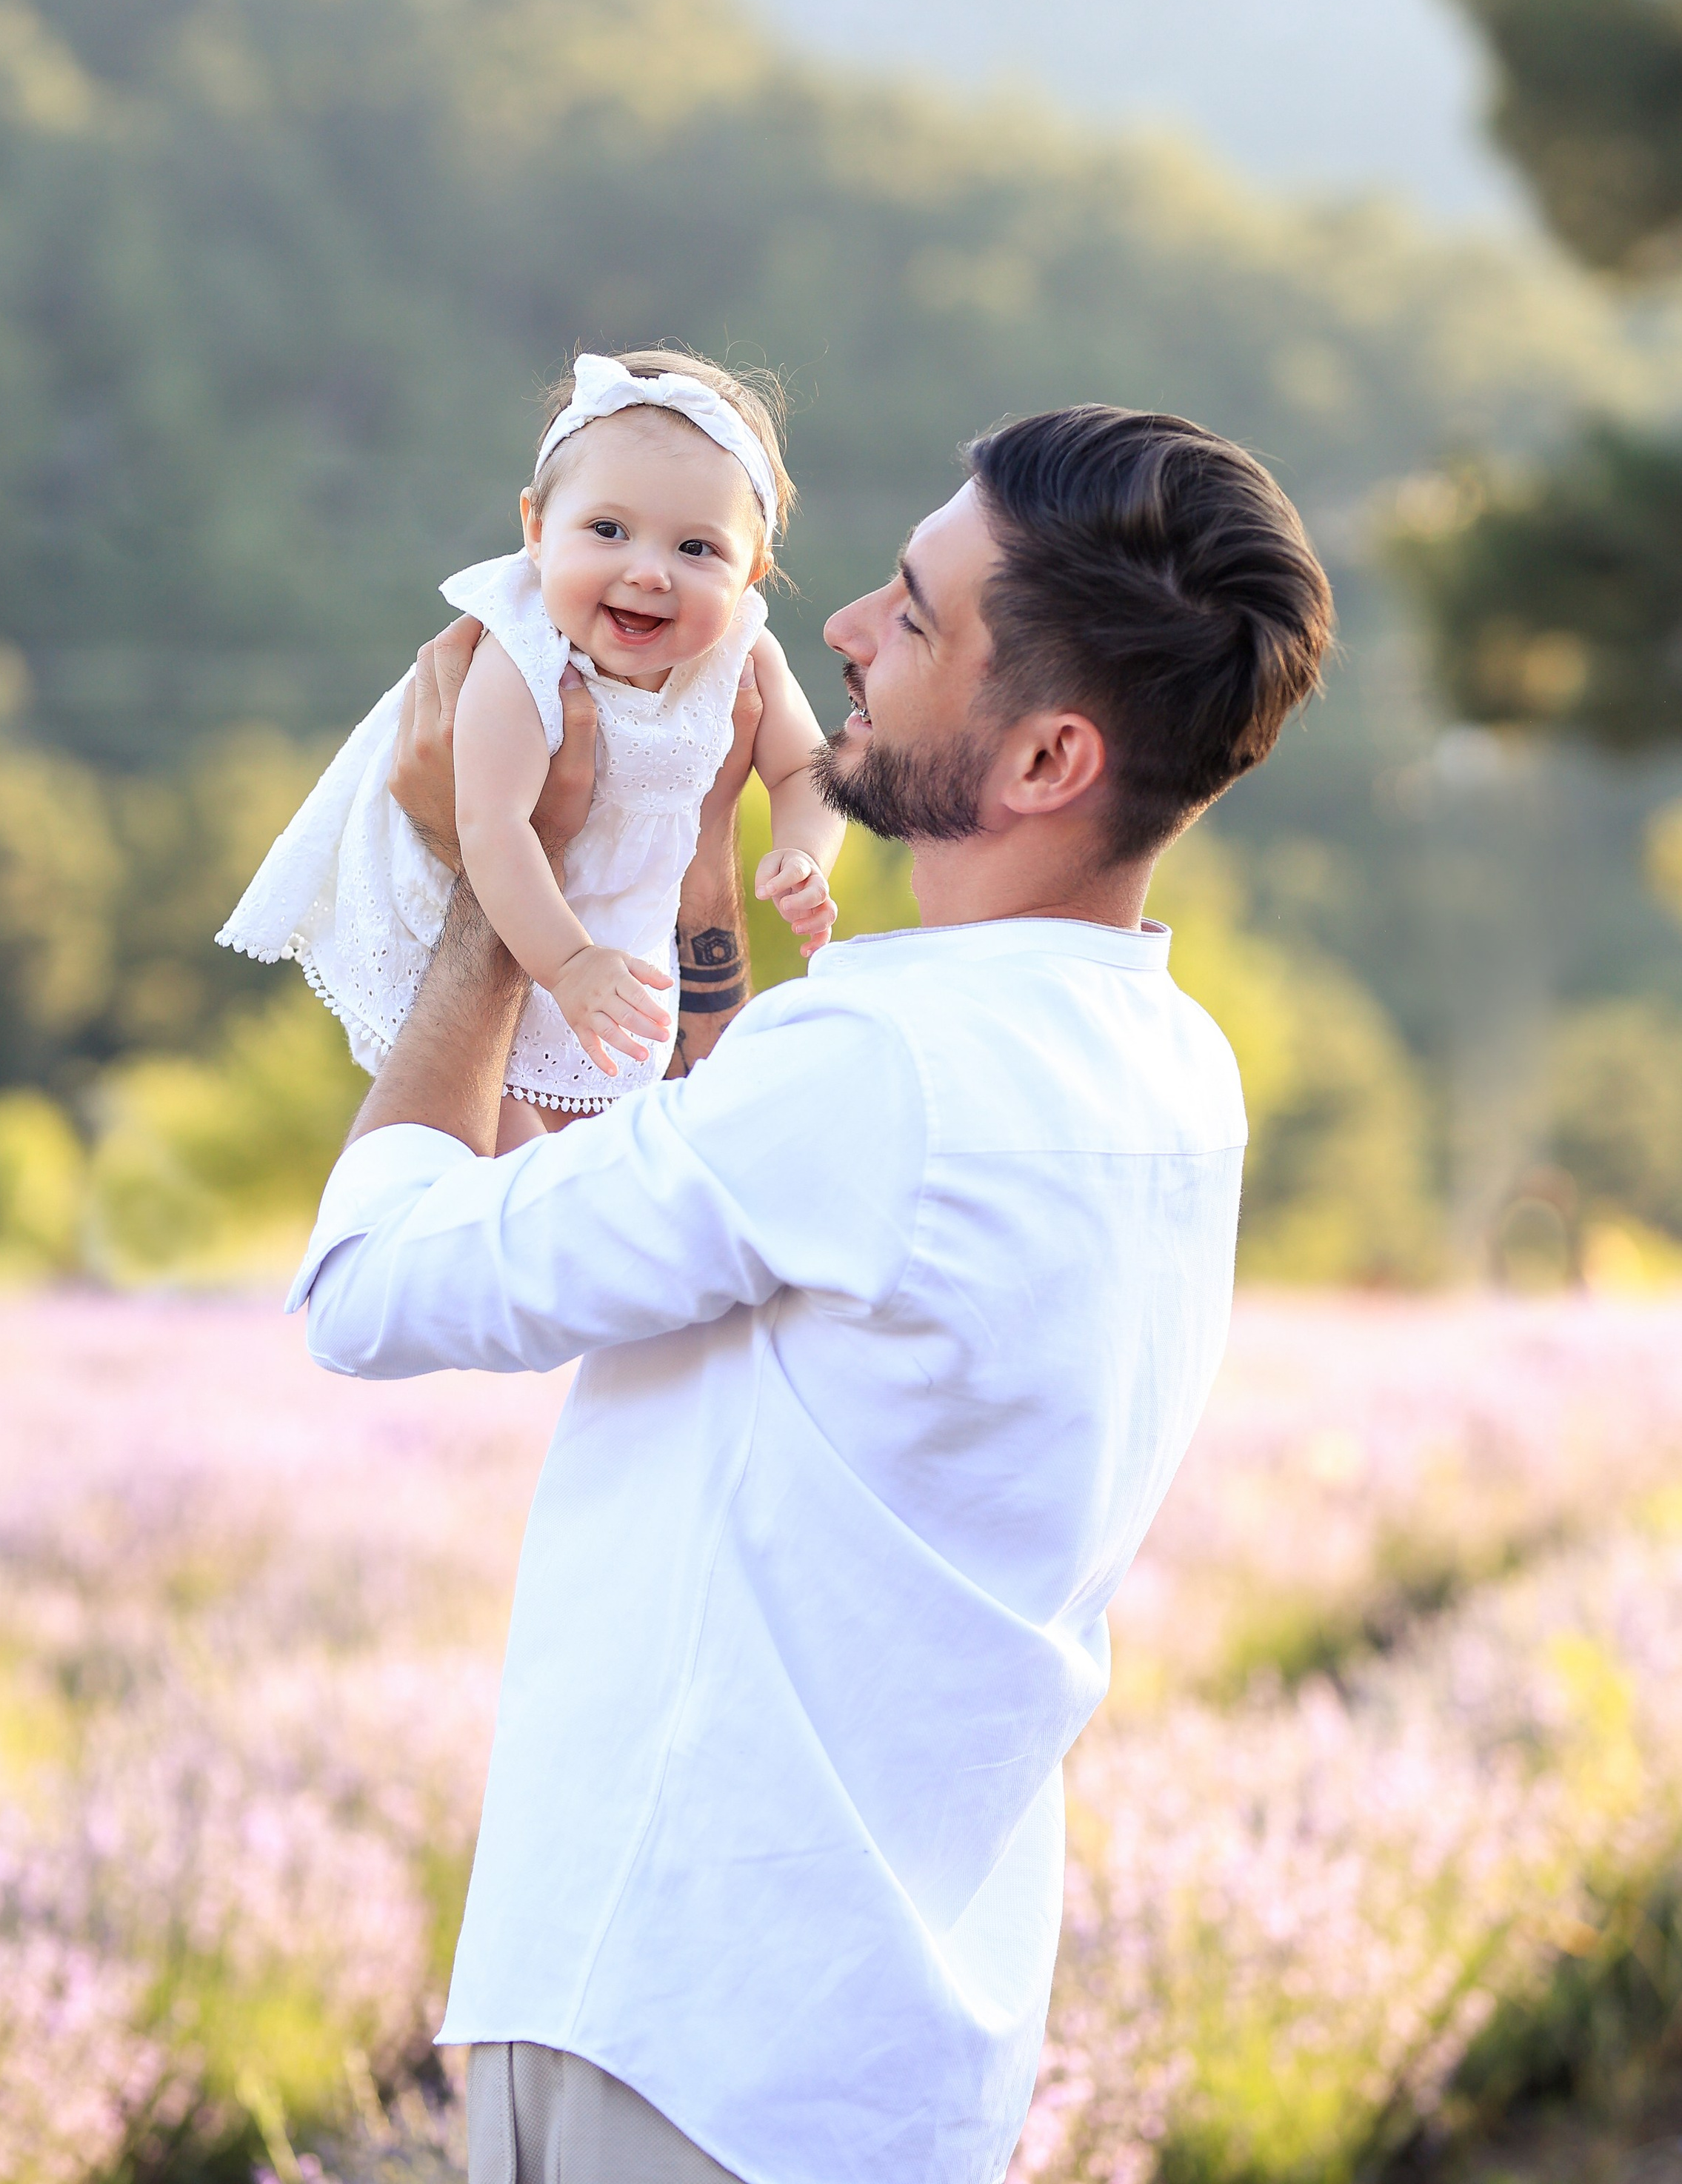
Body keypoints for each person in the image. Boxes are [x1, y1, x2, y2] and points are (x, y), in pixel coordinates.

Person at [288, 404, 1335, 2184]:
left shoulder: (875, 1070)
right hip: (893, 2052)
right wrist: (694, 890)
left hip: (675, 2027)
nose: (837, 626)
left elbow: (372, 1286)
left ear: (1044, 760)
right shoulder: (1168, 1067)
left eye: (915, 618)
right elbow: (728, 1173)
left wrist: (485, 898)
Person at [219, 349, 842, 1143]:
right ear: (538, 531)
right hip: (481, 912)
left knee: (608, 1146)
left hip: (617, 927)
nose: (649, 572)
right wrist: (568, 966)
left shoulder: (741, 654)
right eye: (608, 531)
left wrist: (802, 852)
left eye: (697, 549)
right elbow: (490, 825)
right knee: (501, 1141)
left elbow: (802, 769)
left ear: (751, 570)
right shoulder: (522, 655)